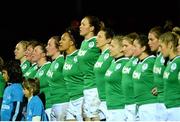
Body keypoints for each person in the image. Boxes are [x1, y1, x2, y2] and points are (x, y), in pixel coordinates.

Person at [77, 15, 102, 121]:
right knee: (87, 117)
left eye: (83, 24)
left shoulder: (97, 41)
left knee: (95, 117)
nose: (80, 26)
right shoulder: (83, 43)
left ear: (92, 28)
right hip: (86, 85)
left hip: (94, 85)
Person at [59, 27, 84, 121]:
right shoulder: (66, 58)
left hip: (82, 98)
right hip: (71, 100)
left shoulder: (79, 56)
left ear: (72, 42)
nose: (60, 42)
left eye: (63, 39)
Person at [132, 34, 157, 121]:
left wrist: (160, 87)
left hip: (150, 104)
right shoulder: (139, 62)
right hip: (139, 104)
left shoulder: (152, 61)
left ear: (143, 48)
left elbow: (163, 74)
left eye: (135, 46)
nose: (132, 48)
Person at [46, 35, 69, 121]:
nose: (46, 47)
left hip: (63, 102)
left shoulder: (63, 61)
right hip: (54, 103)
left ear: (58, 48)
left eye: (49, 45)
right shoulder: (53, 63)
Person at [93, 27, 114, 120]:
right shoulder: (101, 55)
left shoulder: (111, 54)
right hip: (101, 98)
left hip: (109, 98)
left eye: (100, 37)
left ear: (108, 40)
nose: (96, 39)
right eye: (97, 36)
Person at [159, 31, 180, 121]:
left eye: (161, 46)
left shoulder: (179, 62)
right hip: (168, 107)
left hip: (177, 108)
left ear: (170, 45)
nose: (159, 50)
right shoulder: (169, 62)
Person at [148, 26, 167, 120]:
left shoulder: (166, 57)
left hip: (168, 102)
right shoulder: (158, 57)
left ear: (160, 40)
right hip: (159, 101)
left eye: (152, 39)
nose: (149, 43)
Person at [121, 32, 139, 121]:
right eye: (122, 46)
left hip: (135, 103)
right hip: (126, 103)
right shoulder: (129, 62)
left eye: (126, 46)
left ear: (134, 45)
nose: (123, 49)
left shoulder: (139, 61)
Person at [32, 42, 52, 120]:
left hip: (50, 106)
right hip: (42, 107)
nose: (33, 53)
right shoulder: (38, 70)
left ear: (43, 54)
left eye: (35, 51)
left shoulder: (49, 66)